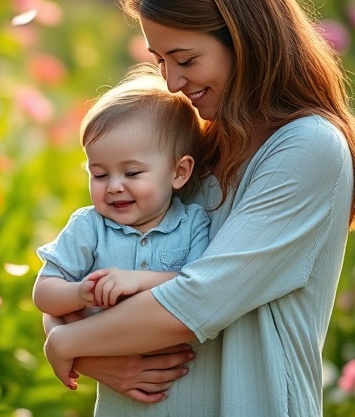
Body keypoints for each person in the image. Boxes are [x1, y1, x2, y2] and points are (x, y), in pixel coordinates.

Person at [41, 0, 355, 416]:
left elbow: (197, 301)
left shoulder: (306, 148)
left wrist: (70, 343)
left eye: (185, 59)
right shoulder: (190, 141)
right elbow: (85, 264)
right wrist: (69, 342)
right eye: (160, 60)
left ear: (244, 39)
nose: (173, 81)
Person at [33, 66, 222, 414]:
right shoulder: (89, 226)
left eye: (132, 172)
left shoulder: (193, 222)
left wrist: (135, 280)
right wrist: (78, 292)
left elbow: (200, 286)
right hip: (120, 401)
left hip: (189, 397)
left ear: (179, 172)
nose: (114, 185)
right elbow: (43, 293)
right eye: (99, 174)